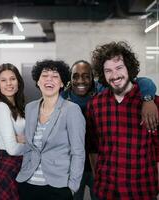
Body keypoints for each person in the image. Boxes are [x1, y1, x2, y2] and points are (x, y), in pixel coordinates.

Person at [61, 60, 158, 200]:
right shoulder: (63, 99)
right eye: (75, 76)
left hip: (100, 165)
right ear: (70, 78)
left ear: (93, 77)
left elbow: (144, 81)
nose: (80, 80)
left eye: (86, 76)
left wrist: (148, 99)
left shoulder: (101, 90)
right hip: (72, 166)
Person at [87, 41, 159, 199]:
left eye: (119, 68)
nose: (114, 75)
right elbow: (93, 148)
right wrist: (98, 178)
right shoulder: (95, 105)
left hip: (142, 190)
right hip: (106, 191)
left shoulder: (152, 104)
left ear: (129, 68)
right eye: (108, 70)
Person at [16, 60, 86, 200]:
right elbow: (29, 148)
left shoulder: (71, 110)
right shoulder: (30, 108)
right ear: (38, 81)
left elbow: (78, 152)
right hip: (28, 184)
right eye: (44, 75)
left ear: (61, 83)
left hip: (58, 188)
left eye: (55, 76)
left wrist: (72, 187)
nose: (49, 79)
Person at [0, 63, 26, 200]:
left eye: (12, 79)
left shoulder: (18, 107)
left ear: (18, 82)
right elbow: (12, 148)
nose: (9, 83)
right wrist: (30, 143)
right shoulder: (1, 107)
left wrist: (21, 139)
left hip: (19, 166)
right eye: (3, 80)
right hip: (8, 167)